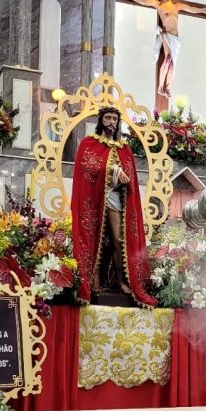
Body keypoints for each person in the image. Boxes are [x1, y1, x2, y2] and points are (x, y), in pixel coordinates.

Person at [71, 106, 156, 307]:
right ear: (101, 121)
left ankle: (120, 280)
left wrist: (121, 175)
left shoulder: (123, 148)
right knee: (95, 237)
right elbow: (87, 168)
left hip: (117, 200)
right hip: (95, 201)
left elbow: (131, 177)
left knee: (118, 238)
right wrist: (113, 171)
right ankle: (93, 280)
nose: (111, 122)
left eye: (115, 119)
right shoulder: (89, 144)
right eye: (108, 118)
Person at [116, 0, 206, 102]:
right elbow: (143, 1)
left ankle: (167, 87)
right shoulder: (159, 5)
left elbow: (190, 8)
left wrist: (203, 10)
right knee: (167, 58)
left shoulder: (177, 6)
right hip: (166, 35)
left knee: (173, 63)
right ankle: (160, 87)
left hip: (176, 38)